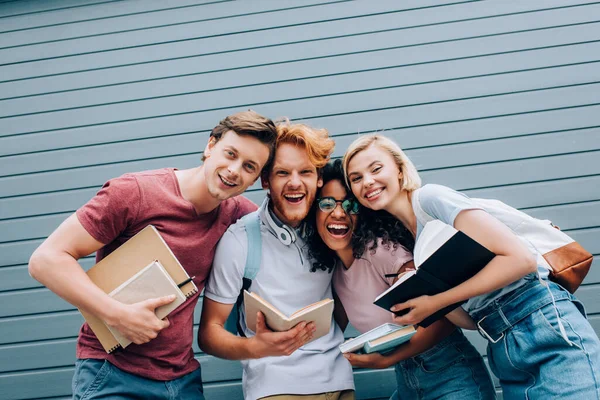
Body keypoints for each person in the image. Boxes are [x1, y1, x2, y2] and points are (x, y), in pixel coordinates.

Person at [28, 110, 278, 400]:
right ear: (210, 146)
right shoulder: (134, 193)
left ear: (257, 179)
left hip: (182, 380)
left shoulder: (240, 216)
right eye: (230, 154)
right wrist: (117, 314)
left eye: (249, 166)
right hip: (112, 374)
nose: (235, 170)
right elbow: (45, 260)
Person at [342, 134, 600, 399]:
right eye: (356, 178)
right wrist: (424, 305)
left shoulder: (430, 199)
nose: (368, 182)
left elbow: (520, 260)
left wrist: (437, 301)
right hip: (501, 344)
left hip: (541, 323)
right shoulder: (416, 243)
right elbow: (469, 321)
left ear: (399, 169)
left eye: (376, 169)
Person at [304, 159, 496, 400]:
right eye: (327, 203)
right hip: (408, 378)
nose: (339, 213)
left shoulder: (382, 251)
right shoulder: (336, 273)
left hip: (449, 372)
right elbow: (331, 332)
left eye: (351, 205)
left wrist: (387, 359)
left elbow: (441, 322)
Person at [199, 121, 355, 400]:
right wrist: (257, 347)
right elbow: (209, 334)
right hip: (275, 389)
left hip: (339, 381)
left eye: (305, 172)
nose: (295, 182)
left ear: (319, 178)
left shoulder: (330, 227)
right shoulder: (240, 240)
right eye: (283, 173)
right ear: (265, 180)